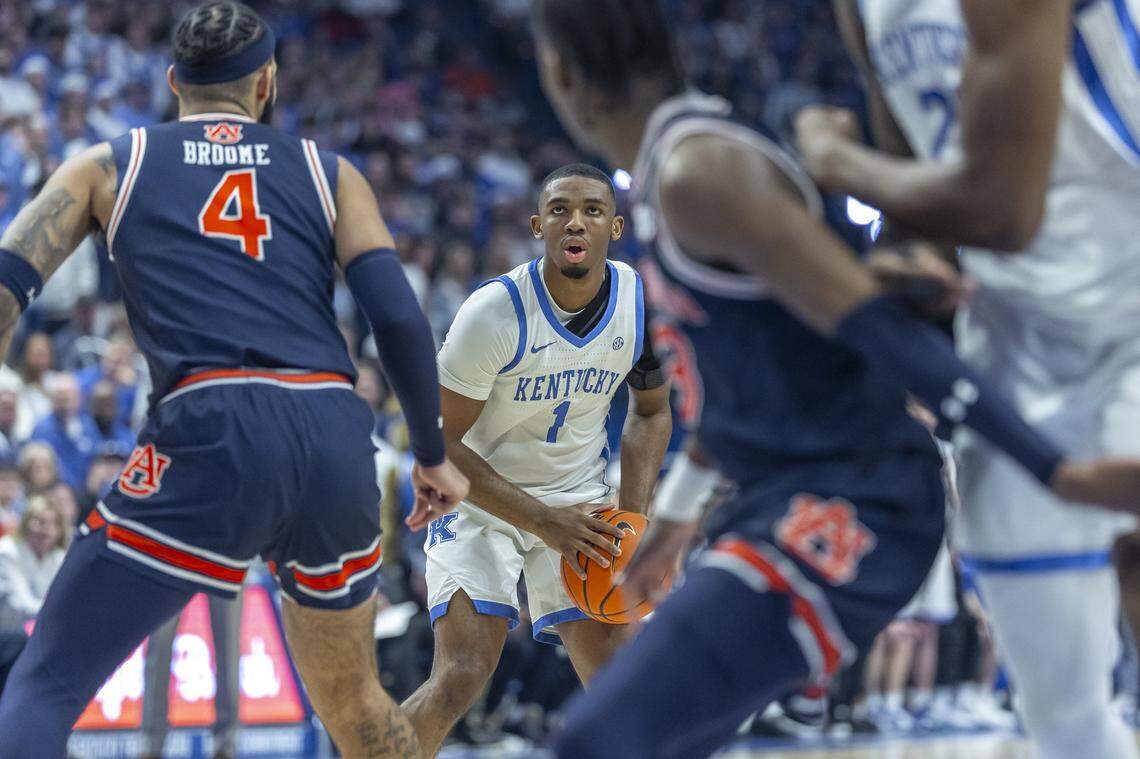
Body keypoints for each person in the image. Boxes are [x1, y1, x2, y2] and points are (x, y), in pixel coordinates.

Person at [528, 2, 1140, 757]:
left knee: (597, 742)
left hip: (857, 493)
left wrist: (1054, 466)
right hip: (786, 492)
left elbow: (876, 325)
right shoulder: (668, 174)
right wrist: (681, 514)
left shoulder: (700, 171)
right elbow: (743, 387)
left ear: (559, 73)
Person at [0, 3, 468, 756]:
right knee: (355, 705)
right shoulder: (330, 172)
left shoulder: (107, 164)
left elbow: (6, 281)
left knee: (44, 682)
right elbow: (400, 319)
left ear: (172, 81)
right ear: (268, 85)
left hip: (211, 423)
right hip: (331, 431)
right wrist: (433, 452)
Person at [794, 2, 1140, 756]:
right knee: (1061, 713)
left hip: (1131, 308)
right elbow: (919, 182)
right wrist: (906, 256)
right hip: (1015, 337)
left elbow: (999, 207)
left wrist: (830, 157)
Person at [402, 163, 672, 757]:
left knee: (624, 685)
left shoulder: (639, 301)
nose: (575, 221)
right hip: (480, 501)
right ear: (537, 225)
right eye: (559, 210)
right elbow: (440, 443)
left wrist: (633, 520)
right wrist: (541, 521)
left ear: (615, 226)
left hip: (579, 502)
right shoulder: (492, 313)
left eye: (593, 210)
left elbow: (651, 411)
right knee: (463, 673)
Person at [0, 497, 67, 633]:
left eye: (53, 523)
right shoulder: (7, 552)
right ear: (25, 524)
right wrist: (60, 611)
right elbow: (19, 604)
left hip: (39, 632)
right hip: (7, 634)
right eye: (40, 522)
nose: (46, 530)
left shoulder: (58, 557)